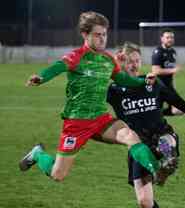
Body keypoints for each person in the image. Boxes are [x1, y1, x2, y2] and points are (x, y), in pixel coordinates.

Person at [19, 11, 160, 182]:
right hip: (76, 123)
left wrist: (143, 81)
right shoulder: (77, 56)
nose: (102, 38)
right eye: (97, 35)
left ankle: (157, 170)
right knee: (58, 175)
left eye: (104, 34)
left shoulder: (108, 60)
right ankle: (38, 154)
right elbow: (57, 67)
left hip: (101, 119)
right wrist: (41, 77)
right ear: (85, 35)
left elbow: (122, 79)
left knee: (131, 137)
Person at [107, 43, 185, 208]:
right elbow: (95, 87)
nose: (134, 65)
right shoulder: (114, 90)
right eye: (129, 61)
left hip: (162, 134)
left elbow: (177, 102)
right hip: (138, 145)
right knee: (144, 202)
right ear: (121, 62)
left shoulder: (151, 83)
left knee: (166, 143)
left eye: (137, 61)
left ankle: (166, 163)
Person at [151, 28, 183, 116]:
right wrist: (174, 70)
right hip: (158, 86)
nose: (170, 39)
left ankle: (161, 114)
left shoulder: (173, 52)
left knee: (179, 110)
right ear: (162, 38)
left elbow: (171, 73)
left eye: (172, 37)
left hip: (169, 86)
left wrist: (173, 86)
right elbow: (155, 70)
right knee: (155, 114)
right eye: (167, 37)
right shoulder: (158, 52)